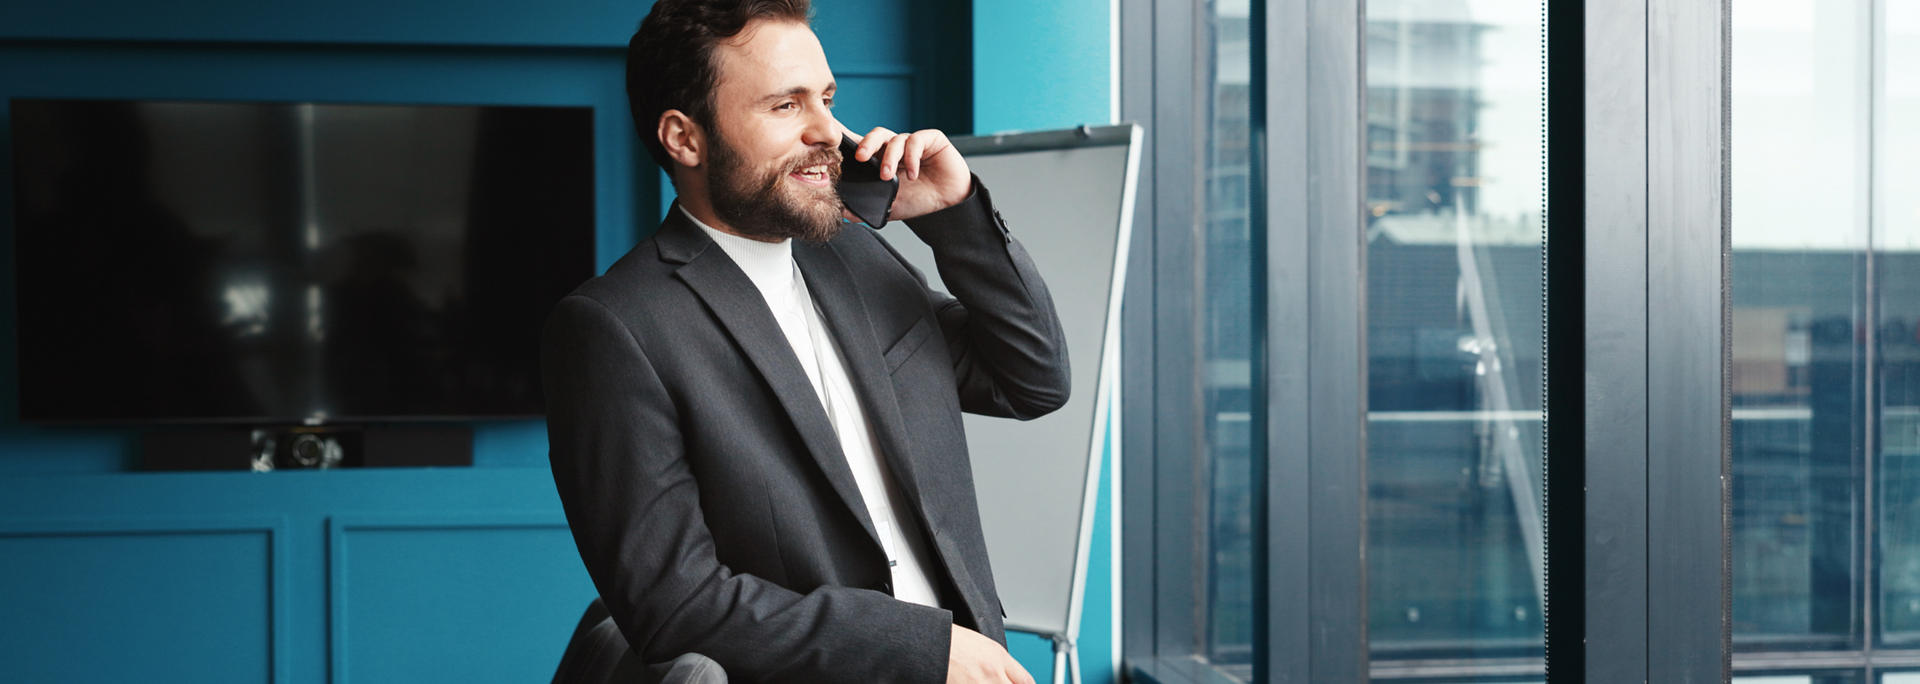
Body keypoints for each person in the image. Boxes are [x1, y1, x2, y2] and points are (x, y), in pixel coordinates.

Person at [539, 0, 1070, 682]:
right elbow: (676, 604)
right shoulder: (612, 329)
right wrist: (923, 647)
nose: (829, 131)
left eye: (826, 98)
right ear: (684, 138)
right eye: (786, 107)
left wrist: (955, 216)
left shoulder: (855, 256)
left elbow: (1032, 380)